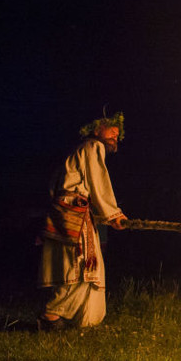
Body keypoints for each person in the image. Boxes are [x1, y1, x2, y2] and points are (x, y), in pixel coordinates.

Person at [38, 113, 128, 330]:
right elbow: (98, 180)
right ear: (97, 130)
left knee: (84, 263)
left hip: (70, 211)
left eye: (118, 134)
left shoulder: (78, 151)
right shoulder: (92, 146)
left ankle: (82, 319)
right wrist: (113, 213)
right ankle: (52, 315)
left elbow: (59, 184)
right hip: (74, 213)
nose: (115, 135)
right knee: (82, 264)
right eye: (110, 130)